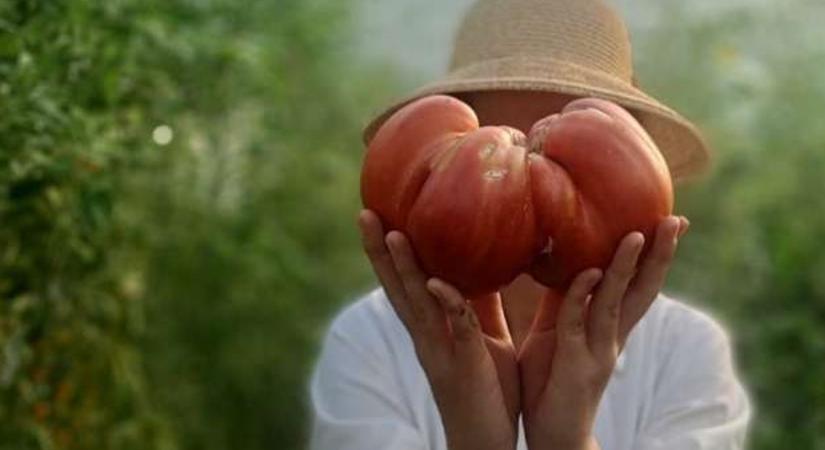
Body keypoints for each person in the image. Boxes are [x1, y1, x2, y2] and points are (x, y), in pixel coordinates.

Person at [310, 0, 751, 449]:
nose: (532, 183)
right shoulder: (369, 339)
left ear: (638, 165)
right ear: (438, 157)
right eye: (497, 148)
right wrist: (475, 439)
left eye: (573, 149)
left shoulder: (688, 351)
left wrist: (567, 442)